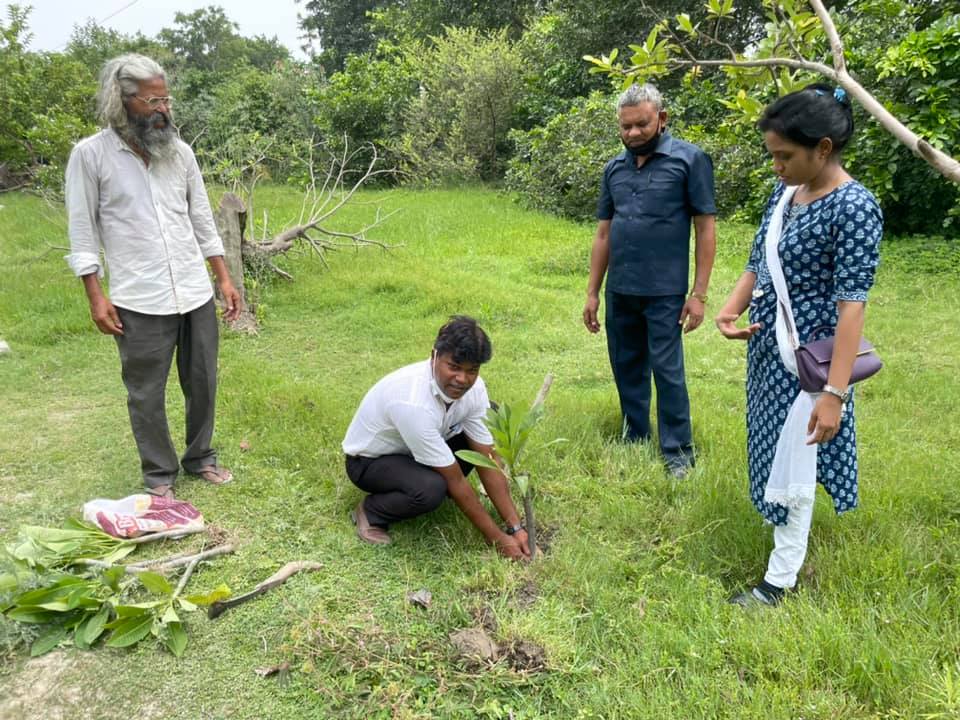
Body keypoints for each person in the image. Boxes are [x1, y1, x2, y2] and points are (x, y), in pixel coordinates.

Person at [715, 84, 883, 606]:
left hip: (812, 360)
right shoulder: (785, 193)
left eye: (784, 156)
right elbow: (758, 261)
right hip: (769, 350)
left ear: (824, 148)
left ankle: (778, 581)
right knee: (772, 447)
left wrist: (835, 392)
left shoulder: (855, 207)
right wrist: (728, 310)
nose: (776, 167)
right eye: (772, 155)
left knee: (798, 459)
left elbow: (852, 303)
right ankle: (782, 544)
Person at [65, 54, 242, 499]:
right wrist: (95, 295)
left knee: (202, 378)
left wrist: (222, 279)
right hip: (138, 296)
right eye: (152, 101)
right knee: (145, 391)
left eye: (166, 99)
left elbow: (202, 218)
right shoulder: (90, 156)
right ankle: (159, 474)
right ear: (122, 100)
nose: (163, 109)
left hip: (193, 289)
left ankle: (201, 456)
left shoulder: (179, 153)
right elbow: (82, 230)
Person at [583, 83, 717, 478]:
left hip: (666, 291)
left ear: (662, 118)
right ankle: (635, 432)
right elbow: (604, 234)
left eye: (641, 124)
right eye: (625, 127)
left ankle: (677, 451)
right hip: (620, 289)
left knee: (667, 369)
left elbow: (705, 230)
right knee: (626, 364)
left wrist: (699, 294)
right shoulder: (614, 168)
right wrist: (592, 292)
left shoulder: (689, 161)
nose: (633, 134)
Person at [342, 316, 531, 561]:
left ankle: (441, 488)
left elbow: (487, 458)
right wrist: (497, 539)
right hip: (371, 462)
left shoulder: (475, 389)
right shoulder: (412, 402)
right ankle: (371, 512)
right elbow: (454, 479)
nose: (462, 379)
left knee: (490, 414)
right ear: (434, 356)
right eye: (453, 367)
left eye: (471, 370)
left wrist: (514, 526)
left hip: (419, 448)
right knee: (432, 488)